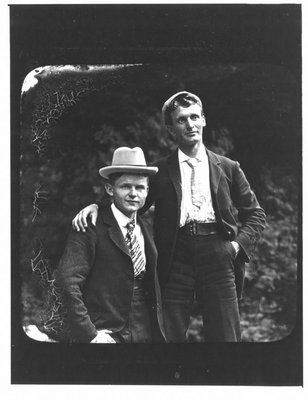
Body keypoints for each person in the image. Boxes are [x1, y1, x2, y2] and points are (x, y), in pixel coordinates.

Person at [72, 91, 266, 342]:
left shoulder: (228, 167)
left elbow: (256, 214)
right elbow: (132, 203)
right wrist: (98, 207)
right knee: (167, 336)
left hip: (219, 254)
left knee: (226, 338)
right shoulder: (161, 170)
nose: (190, 124)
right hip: (176, 257)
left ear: (204, 120)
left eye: (195, 117)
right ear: (170, 128)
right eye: (182, 119)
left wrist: (236, 247)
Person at [54, 146, 166, 343]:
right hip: (106, 333)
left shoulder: (146, 227)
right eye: (125, 186)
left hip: (146, 330)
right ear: (109, 189)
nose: (133, 193)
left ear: (147, 191)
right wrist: (90, 334)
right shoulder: (90, 225)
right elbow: (67, 282)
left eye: (140, 187)